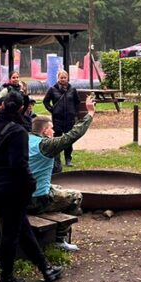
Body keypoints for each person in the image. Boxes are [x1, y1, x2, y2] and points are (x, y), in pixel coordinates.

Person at [0, 91, 64, 282]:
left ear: (1, 105)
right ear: (21, 109)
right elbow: (19, 165)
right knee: (11, 233)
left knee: (21, 226)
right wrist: (30, 184)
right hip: (11, 189)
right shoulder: (18, 132)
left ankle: (45, 268)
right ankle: (6, 278)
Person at [26, 95, 96, 251]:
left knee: (57, 188)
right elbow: (72, 135)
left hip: (20, 196)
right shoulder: (46, 145)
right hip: (36, 200)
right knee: (76, 197)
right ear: (45, 131)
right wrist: (90, 113)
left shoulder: (24, 139)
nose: (54, 131)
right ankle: (59, 239)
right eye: (51, 128)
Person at [42, 70, 79, 167]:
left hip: (69, 118)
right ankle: (56, 159)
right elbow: (45, 101)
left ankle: (68, 159)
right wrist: (52, 110)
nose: (63, 79)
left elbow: (77, 102)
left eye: (64, 77)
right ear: (58, 78)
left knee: (69, 139)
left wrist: (74, 112)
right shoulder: (52, 89)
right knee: (57, 139)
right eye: (61, 78)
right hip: (58, 119)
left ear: (67, 78)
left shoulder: (72, 90)